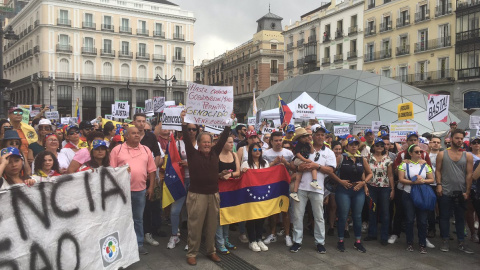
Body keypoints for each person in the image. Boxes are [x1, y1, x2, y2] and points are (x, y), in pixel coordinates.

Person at [180, 111, 231, 266]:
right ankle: (192, 253)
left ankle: (211, 251)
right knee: (195, 225)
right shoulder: (192, 153)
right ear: (199, 143)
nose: (207, 144)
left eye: (209, 142)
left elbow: (222, 138)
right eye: (204, 142)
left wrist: (229, 123)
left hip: (213, 194)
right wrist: (183, 122)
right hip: (197, 195)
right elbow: (187, 139)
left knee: (211, 225)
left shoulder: (215, 152)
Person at [110, 126, 157, 255]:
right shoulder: (117, 150)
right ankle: (122, 244)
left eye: (138, 133)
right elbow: (111, 172)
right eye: (133, 133)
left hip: (140, 190)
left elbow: (152, 170)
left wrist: (151, 187)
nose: (137, 135)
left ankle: (139, 243)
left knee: (138, 218)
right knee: (122, 218)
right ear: (126, 136)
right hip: (121, 192)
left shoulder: (146, 150)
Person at [289, 126, 336, 254]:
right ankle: (297, 241)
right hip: (301, 187)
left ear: (326, 137)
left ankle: (320, 242)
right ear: (312, 136)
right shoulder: (305, 147)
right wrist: (300, 168)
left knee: (319, 216)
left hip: (318, 189)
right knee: (298, 216)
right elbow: (293, 164)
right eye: (318, 134)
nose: (320, 137)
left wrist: (317, 166)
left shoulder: (329, 152)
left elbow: (331, 170)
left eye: (323, 135)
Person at [330, 137, 373, 253]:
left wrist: (363, 183)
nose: (354, 146)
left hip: (357, 189)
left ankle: (358, 241)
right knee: (343, 215)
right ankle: (340, 240)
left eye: (356, 144)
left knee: (357, 216)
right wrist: (340, 181)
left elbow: (370, 173)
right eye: (351, 144)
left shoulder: (361, 159)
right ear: (347, 146)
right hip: (344, 189)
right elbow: (331, 172)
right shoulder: (341, 157)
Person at [435, 129, 474, 253]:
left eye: (461, 138)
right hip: (446, 190)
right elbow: (438, 170)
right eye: (457, 138)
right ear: (451, 139)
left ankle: (461, 242)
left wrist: (467, 191)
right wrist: (439, 185)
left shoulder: (467, 155)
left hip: (461, 191)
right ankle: (445, 240)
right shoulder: (442, 154)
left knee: (460, 218)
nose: (460, 140)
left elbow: (469, 174)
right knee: (444, 217)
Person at [390, 131, 432, 244]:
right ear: (407, 141)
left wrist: (422, 164)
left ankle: (423, 237)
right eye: (410, 140)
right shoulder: (401, 154)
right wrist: (402, 164)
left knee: (421, 215)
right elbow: (395, 170)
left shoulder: (424, 154)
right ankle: (395, 233)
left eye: (415, 140)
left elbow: (429, 171)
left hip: (420, 189)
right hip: (403, 188)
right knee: (399, 211)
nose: (413, 142)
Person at [132, 113, 164, 247]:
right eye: (138, 121)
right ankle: (134, 236)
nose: (141, 124)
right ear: (133, 122)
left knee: (149, 207)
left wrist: (152, 169)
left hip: (148, 178)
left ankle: (148, 233)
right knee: (136, 210)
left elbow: (157, 154)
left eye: (143, 121)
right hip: (134, 180)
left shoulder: (151, 137)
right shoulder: (129, 136)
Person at [398, 144, 434, 253]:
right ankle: (409, 242)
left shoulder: (425, 164)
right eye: (417, 152)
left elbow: (431, 179)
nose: (419, 154)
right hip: (408, 194)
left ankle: (422, 243)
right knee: (409, 220)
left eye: (421, 152)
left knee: (422, 221)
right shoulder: (404, 164)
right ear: (410, 153)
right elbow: (401, 179)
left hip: (422, 194)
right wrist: (414, 182)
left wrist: (422, 181)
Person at [167, 123, 198, 249]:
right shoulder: (178, 144)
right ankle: (174, 235)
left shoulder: (200, 144)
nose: (191, 131)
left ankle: (191, 238)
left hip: (195, 181)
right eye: (188, 129)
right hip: (180, 180)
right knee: (175, 211)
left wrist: (190, 164)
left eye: (193, 129)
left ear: (197, 130)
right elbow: (172, 161)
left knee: (193, 211)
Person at [263, 131, 296, 247]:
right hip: (272, 186)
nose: (278, 143)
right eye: (276, 140)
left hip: (285, 185)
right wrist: (274, 163)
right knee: (273, 211)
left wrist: (286, 163)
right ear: (271, 142)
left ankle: (287, 235)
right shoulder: (265, 153)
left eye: (280, 140)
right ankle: (273, 234)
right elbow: (263, 169)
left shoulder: (289, 153)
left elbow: (294, 168)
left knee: (285, 210)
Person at [241, 143, 270, 252]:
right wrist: (242, 173)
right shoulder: (245, 164)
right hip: (250, 195)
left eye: (259, 149)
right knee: (251, 218)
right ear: (250, 152)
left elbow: (268, 177)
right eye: (255, 150)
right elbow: (242, 180)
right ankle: (252, 240)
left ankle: (259, 239)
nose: (257, 151)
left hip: (262, 194)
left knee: (261, 217)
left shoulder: (265, 163)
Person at [365, 138, 394, 246]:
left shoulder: (388, 160)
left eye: (382, 146)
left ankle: (384, 236)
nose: (380, 147)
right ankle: (372, 234)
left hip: (385, 188)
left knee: (385, 212)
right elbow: (365, 172)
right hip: (371, 187)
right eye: (377, 145)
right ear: (373, 146)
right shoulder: (368, 158)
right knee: (372, 210)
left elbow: (390, 175)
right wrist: (365, 186)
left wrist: (393, 189)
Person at [215, 136, 240, 254]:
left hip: (231, 189)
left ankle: (226, 239)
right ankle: (219, 242)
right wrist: (220, 175)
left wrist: (230, 175)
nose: (232, 144)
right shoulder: (216, 155)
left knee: (228, 215)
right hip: (218, 189)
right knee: (219, 217)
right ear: (223, 143)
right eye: (229, 142)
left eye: (232, 142)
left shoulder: (234, 155)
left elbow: (238, 172)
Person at [291, 128, 320, 202]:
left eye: (308, 136)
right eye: (305, 136)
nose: (308, 138)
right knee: (313, 166)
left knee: (299, 177)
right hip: (298, 160)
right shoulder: (299, 145)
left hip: (303, 160)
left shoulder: (307, 144)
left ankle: (294, 192)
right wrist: (305, 160)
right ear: (300, 138)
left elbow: (312, 152)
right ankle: (314, 181)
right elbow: (297, 154)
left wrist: (311, 144)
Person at [426, 136, 441, 239]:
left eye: (438, 142)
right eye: (433, 142)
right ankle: (431, 229)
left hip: (441, 184)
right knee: (430, 208)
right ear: (430, 143)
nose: (436, 144)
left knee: (443, 209)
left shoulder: (444, 155)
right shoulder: (426, 155)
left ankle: (444, 231)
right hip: (429, 184)